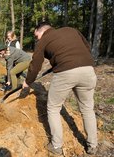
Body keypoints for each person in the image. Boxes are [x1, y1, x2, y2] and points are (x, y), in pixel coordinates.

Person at [22, 22, 97, 155]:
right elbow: (86, 46)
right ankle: (93, 145)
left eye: (36, 35)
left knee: (53, 108)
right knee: (87, 109)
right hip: (88, 70)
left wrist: (28, 82)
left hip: (66, 73)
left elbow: (35, 63)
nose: (37, 38)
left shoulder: (43, 39)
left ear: (41, 31)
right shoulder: (71, 29)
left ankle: (56, 146)